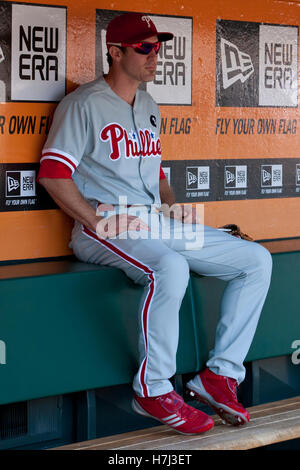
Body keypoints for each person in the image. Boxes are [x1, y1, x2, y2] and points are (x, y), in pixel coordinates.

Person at [37, 12, 272, 435]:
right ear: (115, 51)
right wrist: (94, 220)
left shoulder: (148, 105)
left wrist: (172, 206)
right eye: (144, 47)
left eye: (157, 46)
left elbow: (156, 173)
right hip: (103, 223)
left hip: (151, 221)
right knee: (170, 267)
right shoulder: (84, 104)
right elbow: (53, 175)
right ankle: (153, 387)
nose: (154, 55)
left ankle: (219, 376)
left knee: (255, 260)